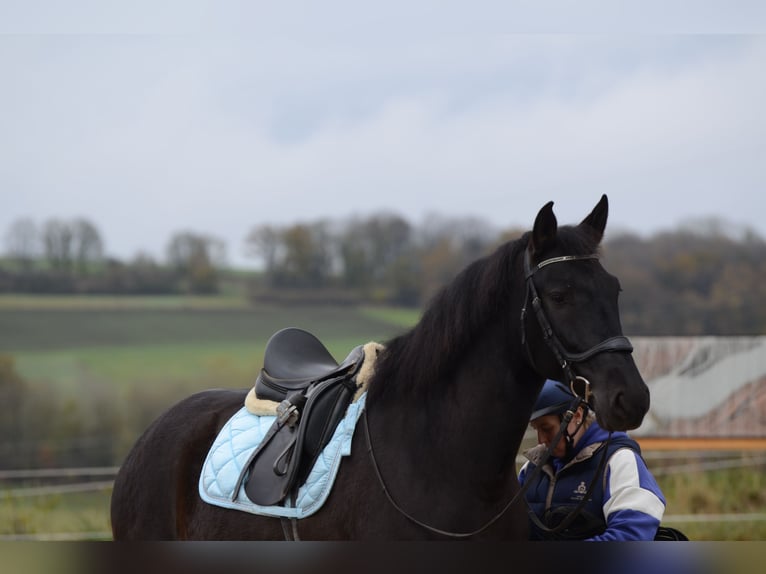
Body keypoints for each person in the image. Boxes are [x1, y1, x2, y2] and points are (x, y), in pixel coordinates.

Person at [518, 379, 666, 541]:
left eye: (547, 429)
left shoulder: (620, 461)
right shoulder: (529, 470)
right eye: (536, 429)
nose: (541, 440)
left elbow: (632, 536)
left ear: (577, 415)